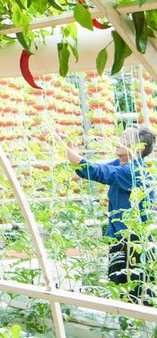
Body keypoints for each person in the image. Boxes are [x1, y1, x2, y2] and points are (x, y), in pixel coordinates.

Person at [62, 125, 157, 304]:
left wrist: (68, 150)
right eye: (121, 137)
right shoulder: (121, 163)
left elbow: (97, 172)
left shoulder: (133, 171)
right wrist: (70, 147)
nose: (120, 141)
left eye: (126, 139)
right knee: (121, 289)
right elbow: (90, 169)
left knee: (134, 293)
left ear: (140, 148)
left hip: (135, 242)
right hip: (120, 239)